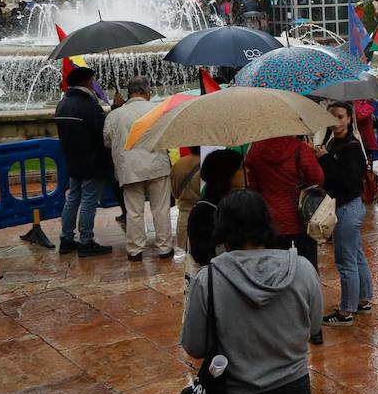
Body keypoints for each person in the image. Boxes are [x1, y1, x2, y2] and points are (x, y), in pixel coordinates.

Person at [180, 189, 337, 394]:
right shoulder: (302, 269)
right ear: (266, 223)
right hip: (292, 390)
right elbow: (312, 326)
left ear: (222, 228)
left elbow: (194, 346)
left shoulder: (208, 280)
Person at [102, 75, 174, 261]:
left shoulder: (115, 114)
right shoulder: (158, 110)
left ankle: (135, 250)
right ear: (146, 92)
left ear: (129, 93)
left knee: (134, 212)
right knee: (161, 209)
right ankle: (165, 248)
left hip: (130, 168)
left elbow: (107, 142)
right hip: (157, 165)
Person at [316, 101, 372, 326]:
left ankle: (346, 312)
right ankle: (364, 300)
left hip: (347, 207)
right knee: (356, 255)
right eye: (332, 117)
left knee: (345, 260)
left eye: (340, 117)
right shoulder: (334, 141)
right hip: (348, 206)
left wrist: (325, 158)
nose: (336, 122)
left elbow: (345, 181)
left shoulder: (351, 146)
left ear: (349, 118)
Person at [243, 132, 325, 271]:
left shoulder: (255, 151)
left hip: (270, 220)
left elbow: (252, 187)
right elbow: (317, 179)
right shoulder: (301, 148)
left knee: (274, 269)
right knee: (307, 267)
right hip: (302, 217)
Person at [54, 66, 113, 256]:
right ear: (86, 82)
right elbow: (103, 129)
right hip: (92, 161)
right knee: (88, 201)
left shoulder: (62, 104)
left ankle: (66, 239)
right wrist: (116, 110)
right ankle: (86, 242)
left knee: (72, 199)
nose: (93, 83)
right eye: (92, 80)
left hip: (73, 161)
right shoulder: (88, 105)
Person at [186, 149, 246, 277]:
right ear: (227, 174)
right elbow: (203, 256)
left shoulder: (242, 203)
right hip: (219, 281)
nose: (247, 171)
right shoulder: (203, 212)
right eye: (241, 168)